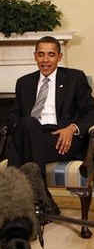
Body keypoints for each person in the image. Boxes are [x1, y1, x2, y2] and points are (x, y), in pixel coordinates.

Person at [6, 36, 94, 212]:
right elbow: (14, 115)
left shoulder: (74, 78)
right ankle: (43, 201)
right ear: (35, 56)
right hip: (33, 132)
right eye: (41, 54)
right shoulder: (24, 82)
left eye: (51, 55)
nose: (45, 60)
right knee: (28, 125)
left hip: (62, 138)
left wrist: (72, 128)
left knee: (20, 144)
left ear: (59, 57)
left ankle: (15, 204)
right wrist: (17, 126)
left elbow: (92, 111)